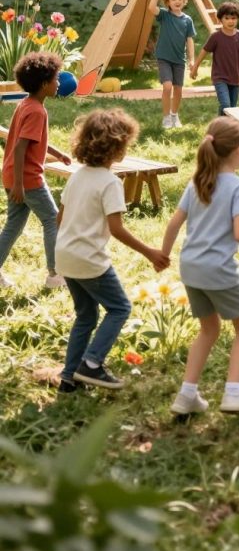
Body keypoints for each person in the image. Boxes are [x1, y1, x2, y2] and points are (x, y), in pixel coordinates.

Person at [161, 117, 239, 415]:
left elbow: (174, 223)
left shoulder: (197, 182)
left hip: (190, 267)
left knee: (208, 330)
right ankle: (233, 392)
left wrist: (162, 255)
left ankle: (187, 395)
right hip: (218, 270)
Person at [55, 109, 169, 392]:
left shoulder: (77, 177)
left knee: (86, 316)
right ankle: (91, 364)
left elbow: (60, 218)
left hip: (65, 256)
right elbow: (116, 228)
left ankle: (69, 378)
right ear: (116, 148)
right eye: (125, 144)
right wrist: (150, 252)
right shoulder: (110, 183)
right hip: (89, 260)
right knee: (120, 307)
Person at [0, 52, 71, 290]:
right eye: (56, 79)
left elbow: (29, 139)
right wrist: (20, 184)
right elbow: (20, 148)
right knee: (52, 220)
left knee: (13, 225)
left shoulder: (26, 104)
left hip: (11, 175)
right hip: (27, 180)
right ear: (44, 84)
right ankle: (55, 275)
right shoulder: (37, 111)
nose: (59, 83)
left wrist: (58, 153)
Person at [191, 2, 239, 117]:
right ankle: (221, 127)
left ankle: (225, 128)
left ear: (237, 19)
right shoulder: (216, 37)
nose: (230, 21)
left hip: (235, 77)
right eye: (227, 18)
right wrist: (195, 68)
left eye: (233, 18)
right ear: (220, 19)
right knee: (225, 104)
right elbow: (204, 51)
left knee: (232, 109)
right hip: (219, 77)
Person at [148, 0, 196, 129]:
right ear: (167, 1)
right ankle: (166, 118)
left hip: (179, 60)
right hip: (164, 57)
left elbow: (189, 41)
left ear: (184, 0)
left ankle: (175, 116)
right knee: (167, 86)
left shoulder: (187, 20)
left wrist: (192, 60)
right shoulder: (164, 15)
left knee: (178, 89)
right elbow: (151, 7)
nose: (177, 1)